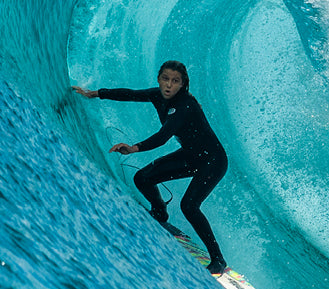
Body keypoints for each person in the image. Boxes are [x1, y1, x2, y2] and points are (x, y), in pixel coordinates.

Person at [73, 60, 230, 275]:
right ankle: (159, 211)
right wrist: (95, 93)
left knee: (189, 206)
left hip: (213, 160)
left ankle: (218, 260)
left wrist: (134, 148)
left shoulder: (185, 105)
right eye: (165, 79)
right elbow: (130, 94)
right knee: (142, 178)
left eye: (175, 81)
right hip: (191, 156)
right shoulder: (157, 95)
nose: (168, 85)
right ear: (159, 79)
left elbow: (164, 136)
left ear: (182, 85)